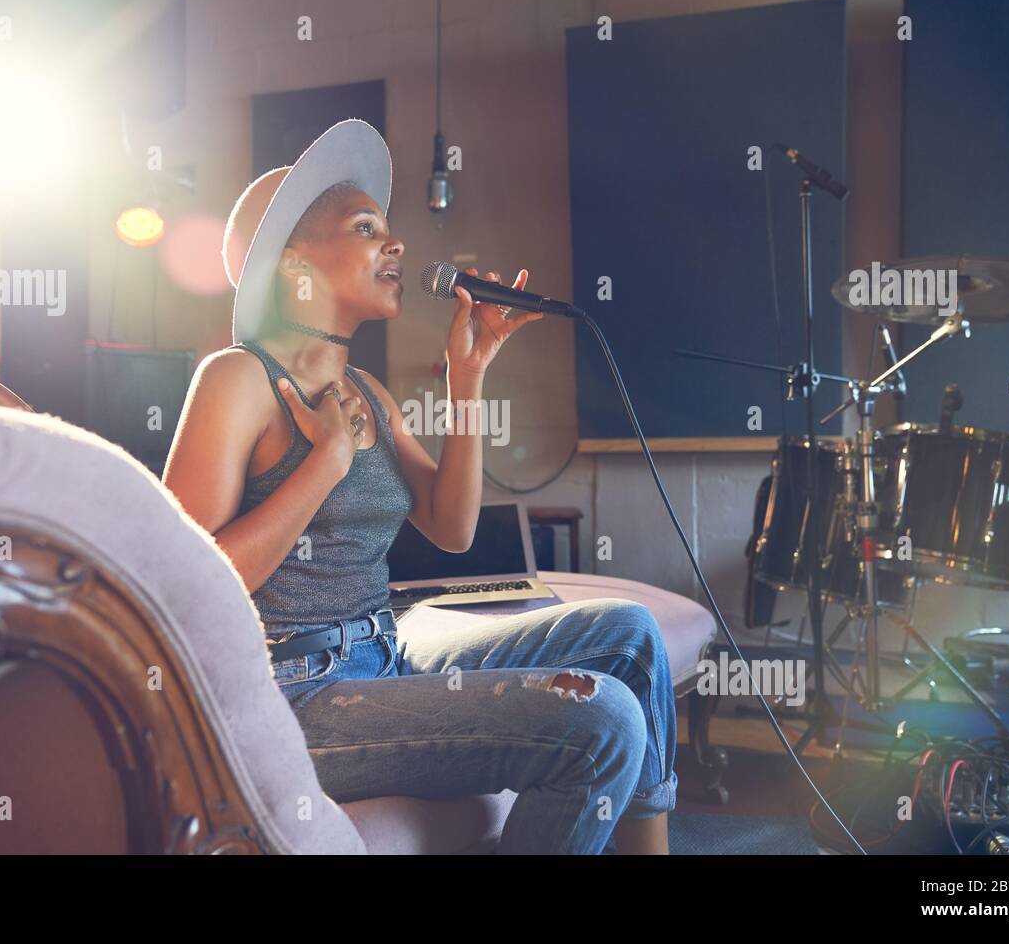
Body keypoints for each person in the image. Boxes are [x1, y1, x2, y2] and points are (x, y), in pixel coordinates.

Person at [163, 119, 676, 854]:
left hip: (384, 659)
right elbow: (189, 585)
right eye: (367, 227)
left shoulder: (366, 392)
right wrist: (323, 466)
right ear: (293, 262)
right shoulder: (236, 380)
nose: (395, 245)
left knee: (630, 637)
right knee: (602, 723)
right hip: (290, 696)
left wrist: (468, 383)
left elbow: (452, 528)